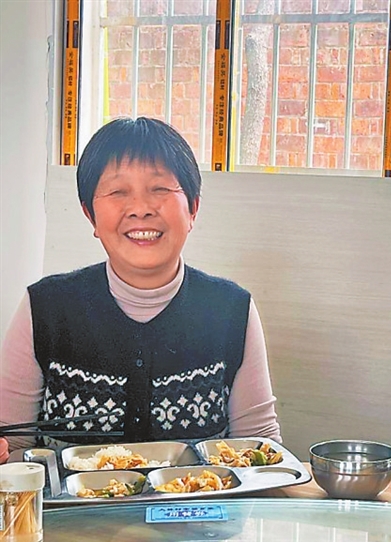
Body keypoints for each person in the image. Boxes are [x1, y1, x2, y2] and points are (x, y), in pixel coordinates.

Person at [0, 117, 280, 462]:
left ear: (192, 208)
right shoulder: (44, 309)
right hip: (63, 501)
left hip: (199, 500)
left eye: (160, 189)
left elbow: (260, 451)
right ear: (90, 215)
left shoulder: (232, 311)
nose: (141, 209)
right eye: (118, 192)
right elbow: (12, 445)